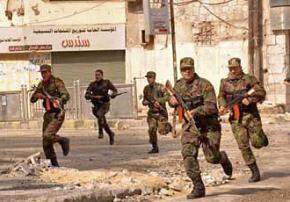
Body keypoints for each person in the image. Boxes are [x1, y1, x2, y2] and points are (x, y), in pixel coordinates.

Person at [169, 57, 233, 199]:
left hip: (209, 126)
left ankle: (222, 158)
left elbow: (211, 107)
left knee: (211, 157)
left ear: (193, 68)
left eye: (189, 69)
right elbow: (173, 100)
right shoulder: (178, 86)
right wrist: (172, 101)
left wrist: (195, 111)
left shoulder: (205, 85)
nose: (186, 72)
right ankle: (198, 186)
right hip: (190, 126)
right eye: (183, 69)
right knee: (188, 154)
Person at [218, 57, 268, 183]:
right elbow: (221, 96)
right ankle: (254, 171)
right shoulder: (224, 82)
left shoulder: (249, 79)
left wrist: (250, 100)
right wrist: (223, 106)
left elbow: (261, 92)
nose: (233, 71)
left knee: (257, 143)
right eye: (231, 68)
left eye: (235, 68)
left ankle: (262, 138)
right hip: (235, 118)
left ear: (240, 67)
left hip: (250, 115)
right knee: (243, 145)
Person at [30, 64, 70, 167]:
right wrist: (37, 96)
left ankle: (63, 140)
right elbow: (32, 99)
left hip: (57, 112)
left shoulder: (57, 81)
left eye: (45, 72)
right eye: (42, 73)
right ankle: (54, 166)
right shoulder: (41, 85)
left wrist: (59, 100)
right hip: (48, 114)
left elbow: (66, 95)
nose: (44, 75)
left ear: (50, 72)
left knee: (48, 135)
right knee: (46, 143)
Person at [142, 71, 172, 154]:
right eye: (148, 77)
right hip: (152, 113)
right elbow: (145, 99)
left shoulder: (160, 87)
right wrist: (145, 102)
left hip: (161, 112)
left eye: (150, 77)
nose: (149, 79)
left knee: (162, 131)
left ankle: (168, 127)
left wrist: (159, 101)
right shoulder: (146, 89)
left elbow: (168, 96)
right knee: (151, 129)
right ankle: (155, 147)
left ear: (154, 78)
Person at [85, 69, 117, 145]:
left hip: (105, 104)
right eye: (96, 75)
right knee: (103, 122)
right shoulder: (92, 84)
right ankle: (111, 134)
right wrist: (95, 97)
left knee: (100, 115)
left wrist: (113, 94)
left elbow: (114, 91)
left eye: (98, 75)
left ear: (102, 75)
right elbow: (86, 95)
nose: (97, 76)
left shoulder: (107, 82)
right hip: (96, 106)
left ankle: (100, 132)